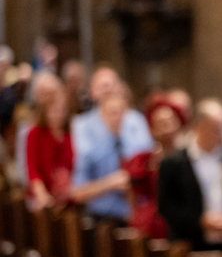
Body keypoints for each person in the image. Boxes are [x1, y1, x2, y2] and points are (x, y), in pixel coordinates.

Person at [158, 99, 222, 251]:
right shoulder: (173, 163)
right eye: (216, 128)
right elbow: (166, 206)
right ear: (199, 127)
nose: (221, 133)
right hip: (190, 245)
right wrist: (200, 220)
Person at [72, 84, 152, 222]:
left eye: (121, 112)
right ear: (101, 114)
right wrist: (109, 184)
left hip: (133, 218)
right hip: (102, 219)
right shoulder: (89, 148)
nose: (117, 118)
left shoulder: (136, 143)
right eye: (112, 112)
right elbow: (77, 193)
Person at [122, 97, 186, 239]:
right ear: (152, 128)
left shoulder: (189, 158)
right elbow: (131, 192)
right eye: (160, 124)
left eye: (170, 122)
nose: (166, 128)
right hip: (152, 224)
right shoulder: (144, 160)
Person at [25, 85, 73, 211]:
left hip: (68, 195)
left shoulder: (70, 134)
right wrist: (42, 195)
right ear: (45, 111)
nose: (59, 114)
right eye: (54, 110)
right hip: (43, 195)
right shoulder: (35, 133)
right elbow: (32, 169)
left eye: (62, 110)